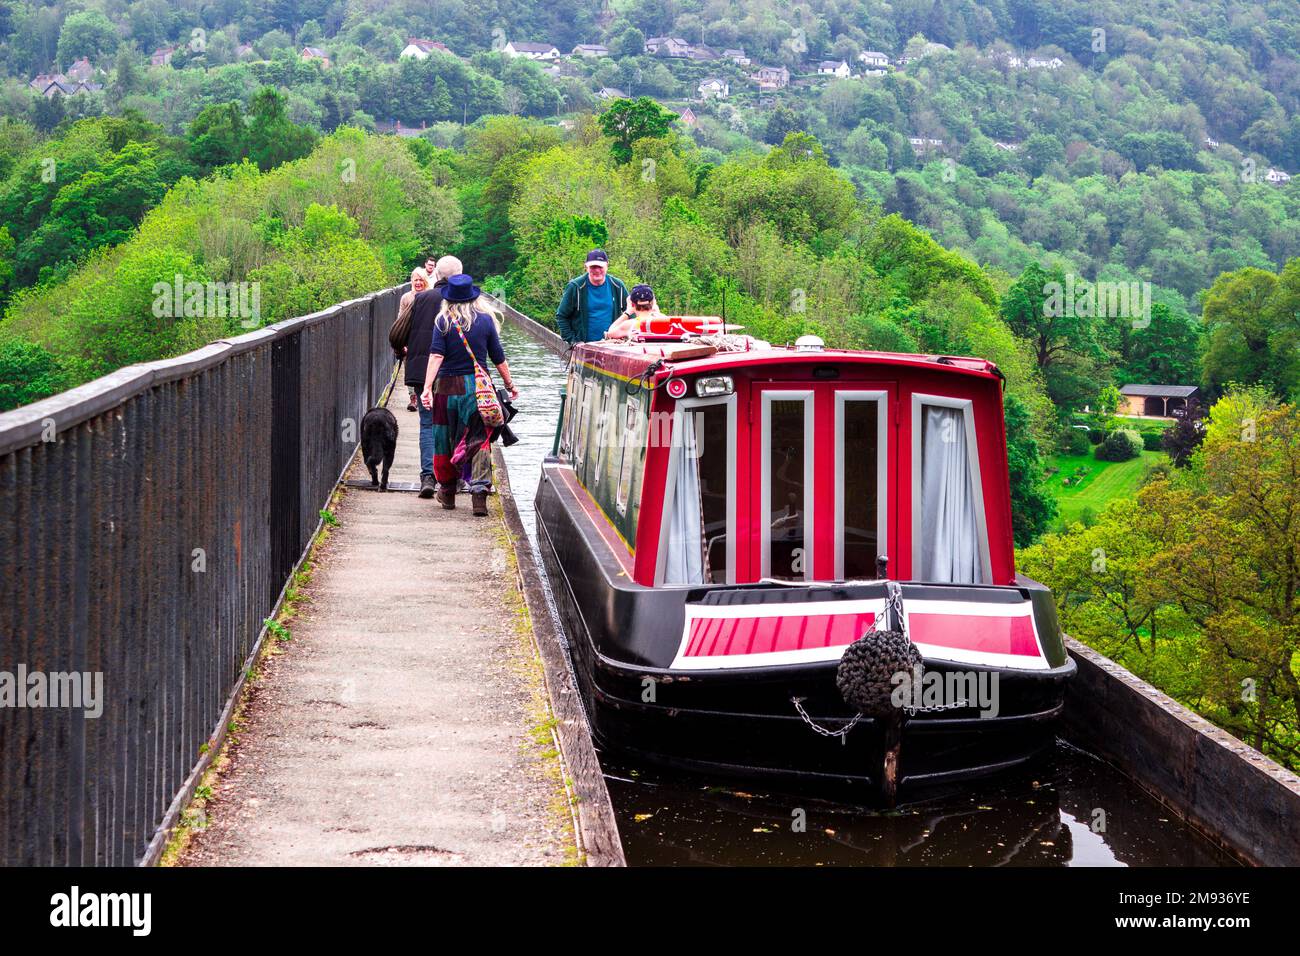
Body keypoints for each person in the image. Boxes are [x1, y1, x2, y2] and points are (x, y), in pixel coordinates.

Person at [420, 274, 519, 516]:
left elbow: (436, 356)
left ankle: (448, 491)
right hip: (477, 388)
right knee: (479, 440)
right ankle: (479, 496)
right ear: (473, 298)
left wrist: (426, 388)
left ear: (449, 299)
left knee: (443, 438)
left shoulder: (442, 321)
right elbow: (498, 357)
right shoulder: (485, 321)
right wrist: (510, 384)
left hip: (445, 387)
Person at [406, 256, 461, 498]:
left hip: (420, 370)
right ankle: (450, 478)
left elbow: (404, 330)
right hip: (452, 372)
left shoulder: (421, 298)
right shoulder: (461, 301)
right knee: (453, 424)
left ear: (436, 275)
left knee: (427, 423)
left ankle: (427, 476)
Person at [555, 249, 630, 345]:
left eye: (600, 266)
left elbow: (631, 312)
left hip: (612, 345)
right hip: (584, 347)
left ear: (607, 265)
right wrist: (573, 341)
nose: (597, 270)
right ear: (586, 267)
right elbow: (561, 316)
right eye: (593, 267)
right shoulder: (576, 287)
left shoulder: (617, 285)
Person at [396, 267, 431, 411]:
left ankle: (425, 394)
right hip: (410, 338)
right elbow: (400, 320)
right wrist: (401, 342)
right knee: (409, 366)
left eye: (421, 280)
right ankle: (413, 398)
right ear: (411, 281)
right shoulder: (406, 298)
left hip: (425, 338)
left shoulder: (430, 296)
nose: (418, 282)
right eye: (415, 280)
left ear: (425, 281)